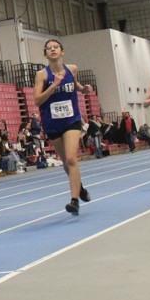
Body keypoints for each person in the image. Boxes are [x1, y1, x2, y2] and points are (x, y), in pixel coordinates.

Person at [33, 39, 93, 215]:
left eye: (56, 47)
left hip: (71, 120)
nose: (52, 50)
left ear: (62, 51)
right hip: (52, 123)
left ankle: (74, 201)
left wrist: (83, 90)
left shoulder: (72, 69)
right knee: (66, 162)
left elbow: (75, 85)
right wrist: (54, 85)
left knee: (71, 158)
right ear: (45, 54)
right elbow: (37, 100)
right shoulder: (42, 75)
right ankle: (79, 187)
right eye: (49, 48)